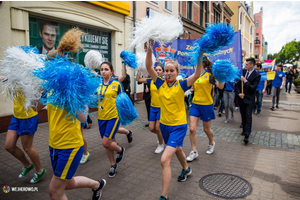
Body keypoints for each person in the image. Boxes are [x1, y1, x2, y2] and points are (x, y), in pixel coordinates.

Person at [46, 28, 106, 200]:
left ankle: (97, 185)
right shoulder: (50, 87)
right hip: (53, 143)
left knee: (54, 191)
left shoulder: (73, 85)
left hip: (70, 144)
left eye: (53, 64)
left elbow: (83, 118)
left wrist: (69, 97)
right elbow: (34, 109)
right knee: (68, 182)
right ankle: (97, 185)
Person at [145, 40, 203, 200]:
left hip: (178, 127)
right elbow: (149, 67)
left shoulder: (181, 85)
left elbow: (197, 74)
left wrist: (199, 55)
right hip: (164, 126)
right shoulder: (160, 83)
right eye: (166, 71)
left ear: (177, 72)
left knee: (164, 160)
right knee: (177, 149)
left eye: (171, 71)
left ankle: (164, 196)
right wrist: (149, 48)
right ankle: (186, 169)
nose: (168, 73)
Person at [186, 57, 224, 162]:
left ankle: (211, 143)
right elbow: (192, 86)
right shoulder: (195, 74)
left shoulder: (210, 75)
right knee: (192, 129)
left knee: (206, 129)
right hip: (195, 105)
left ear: (202, 62)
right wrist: (189, 90)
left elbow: (220, 87)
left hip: (207, 105)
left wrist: (221, 76)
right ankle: (194, 151)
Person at [4, 92, 46, 184]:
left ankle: (39, 170)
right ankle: (27, 165)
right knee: (9, 146)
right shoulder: (11, 77)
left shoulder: (31, 78)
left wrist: (37, 107)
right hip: (16, 116)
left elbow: (45, 93)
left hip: (28, 117)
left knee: (27, 147)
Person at [97, 61, 127, 178]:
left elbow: (123, 100)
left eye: (106, 69)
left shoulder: (116, 84)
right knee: (108, 144)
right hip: (101, 117)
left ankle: (120, 150)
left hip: (113, 117)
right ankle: (113, 165)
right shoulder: (97, 84)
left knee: (105, 142)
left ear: (111, 71)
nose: (103, 71)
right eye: (102, 69)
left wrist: (123, 63)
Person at [136, 64, 165, 154]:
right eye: (156, 70)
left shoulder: (165, 81)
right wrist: (139, 69)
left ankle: (161, 145)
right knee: (151, 128)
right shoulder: (151, 81)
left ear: (163, 72)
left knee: (158, 128)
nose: (158, 71)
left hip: (161, 108)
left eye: (160, 70)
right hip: (153, 107)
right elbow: (138, 79)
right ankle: (161, 137)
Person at [235, 57, 261, 144]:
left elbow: (253, 88)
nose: (245, 65)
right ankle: (244, 129)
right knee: (243, 114)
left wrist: (245, 81)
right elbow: (237, 85)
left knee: (248, 115)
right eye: (245, 64)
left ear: (252, 65)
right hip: (241, 98)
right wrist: (239, 93)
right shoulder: (243, 72)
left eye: (247, 64)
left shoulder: (257, 75)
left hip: (250, 99)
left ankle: (247, 134)